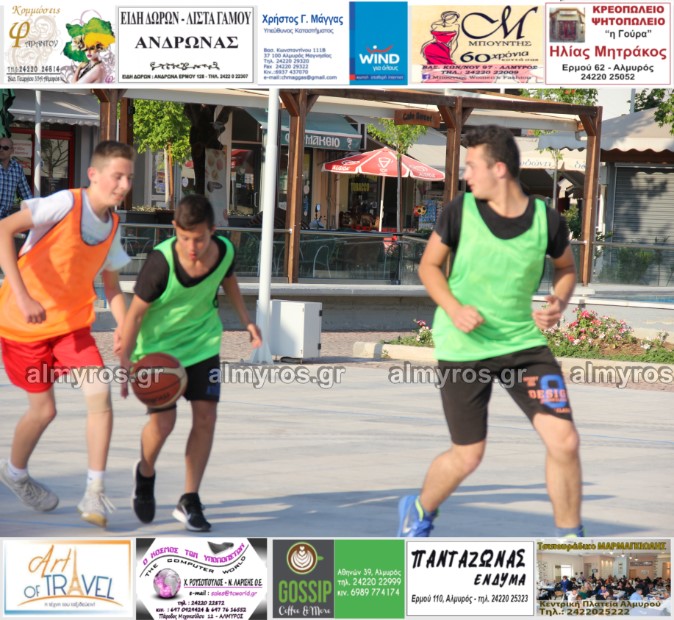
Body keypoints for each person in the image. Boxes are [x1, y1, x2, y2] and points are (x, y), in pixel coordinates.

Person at [397, 125, 583, 538]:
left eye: (472, 166)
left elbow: (566, 268)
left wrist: (558, 300)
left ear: (499, 169)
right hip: (464, 346)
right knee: (468, 454)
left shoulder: (547, 220)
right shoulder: (459, 212)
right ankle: (419, 510)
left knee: (565, 441)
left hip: (524, 346)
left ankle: (571, 539)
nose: (466, 175)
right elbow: (429, 267)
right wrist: (454, 308)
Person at [0, 140, 134, 527]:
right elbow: (4, 229)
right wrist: (23, 296)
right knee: (44, 410)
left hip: (72, 327)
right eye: (117, 176)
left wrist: (126, 330)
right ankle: (15, 473)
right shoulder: (66, 203)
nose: (124, 185)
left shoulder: (112, 226)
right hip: (24, 324)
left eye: (129, 178)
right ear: (94, 174)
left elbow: (112, 288)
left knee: (99, 393)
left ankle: (94, 491)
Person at [119, 194, 262, 532]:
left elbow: (228, 280)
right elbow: (134, 314)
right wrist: (125, 361)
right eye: (184, 238)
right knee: (163, 424)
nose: (192, 246)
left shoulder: (224, 251)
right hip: (158, 351)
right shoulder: (161, 262)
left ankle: (190, 499)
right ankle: (145, 473)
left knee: (206, 418)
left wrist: (247, 321)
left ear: (212, 231)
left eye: (198, 238)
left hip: (202, 345)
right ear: (175, 229)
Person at [0, 137, 32, 219]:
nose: (1, 150)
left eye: (5, 148)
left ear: (12, 151)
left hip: (5, 219)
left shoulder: (17, 168)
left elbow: (26, 194)